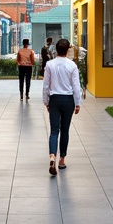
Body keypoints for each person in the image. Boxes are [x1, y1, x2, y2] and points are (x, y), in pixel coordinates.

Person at [42, 38, 81, 175]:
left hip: (55, 99)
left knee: (54, 130)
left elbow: (46, 85)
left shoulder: (49, 65)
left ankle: (52, 156)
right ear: (67, 49)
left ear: (56, 49)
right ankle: (62, 160)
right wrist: (78, 103)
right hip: (68, 100)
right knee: (65, 130)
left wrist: (46, 101)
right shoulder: (72, 66)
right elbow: (76, 86)